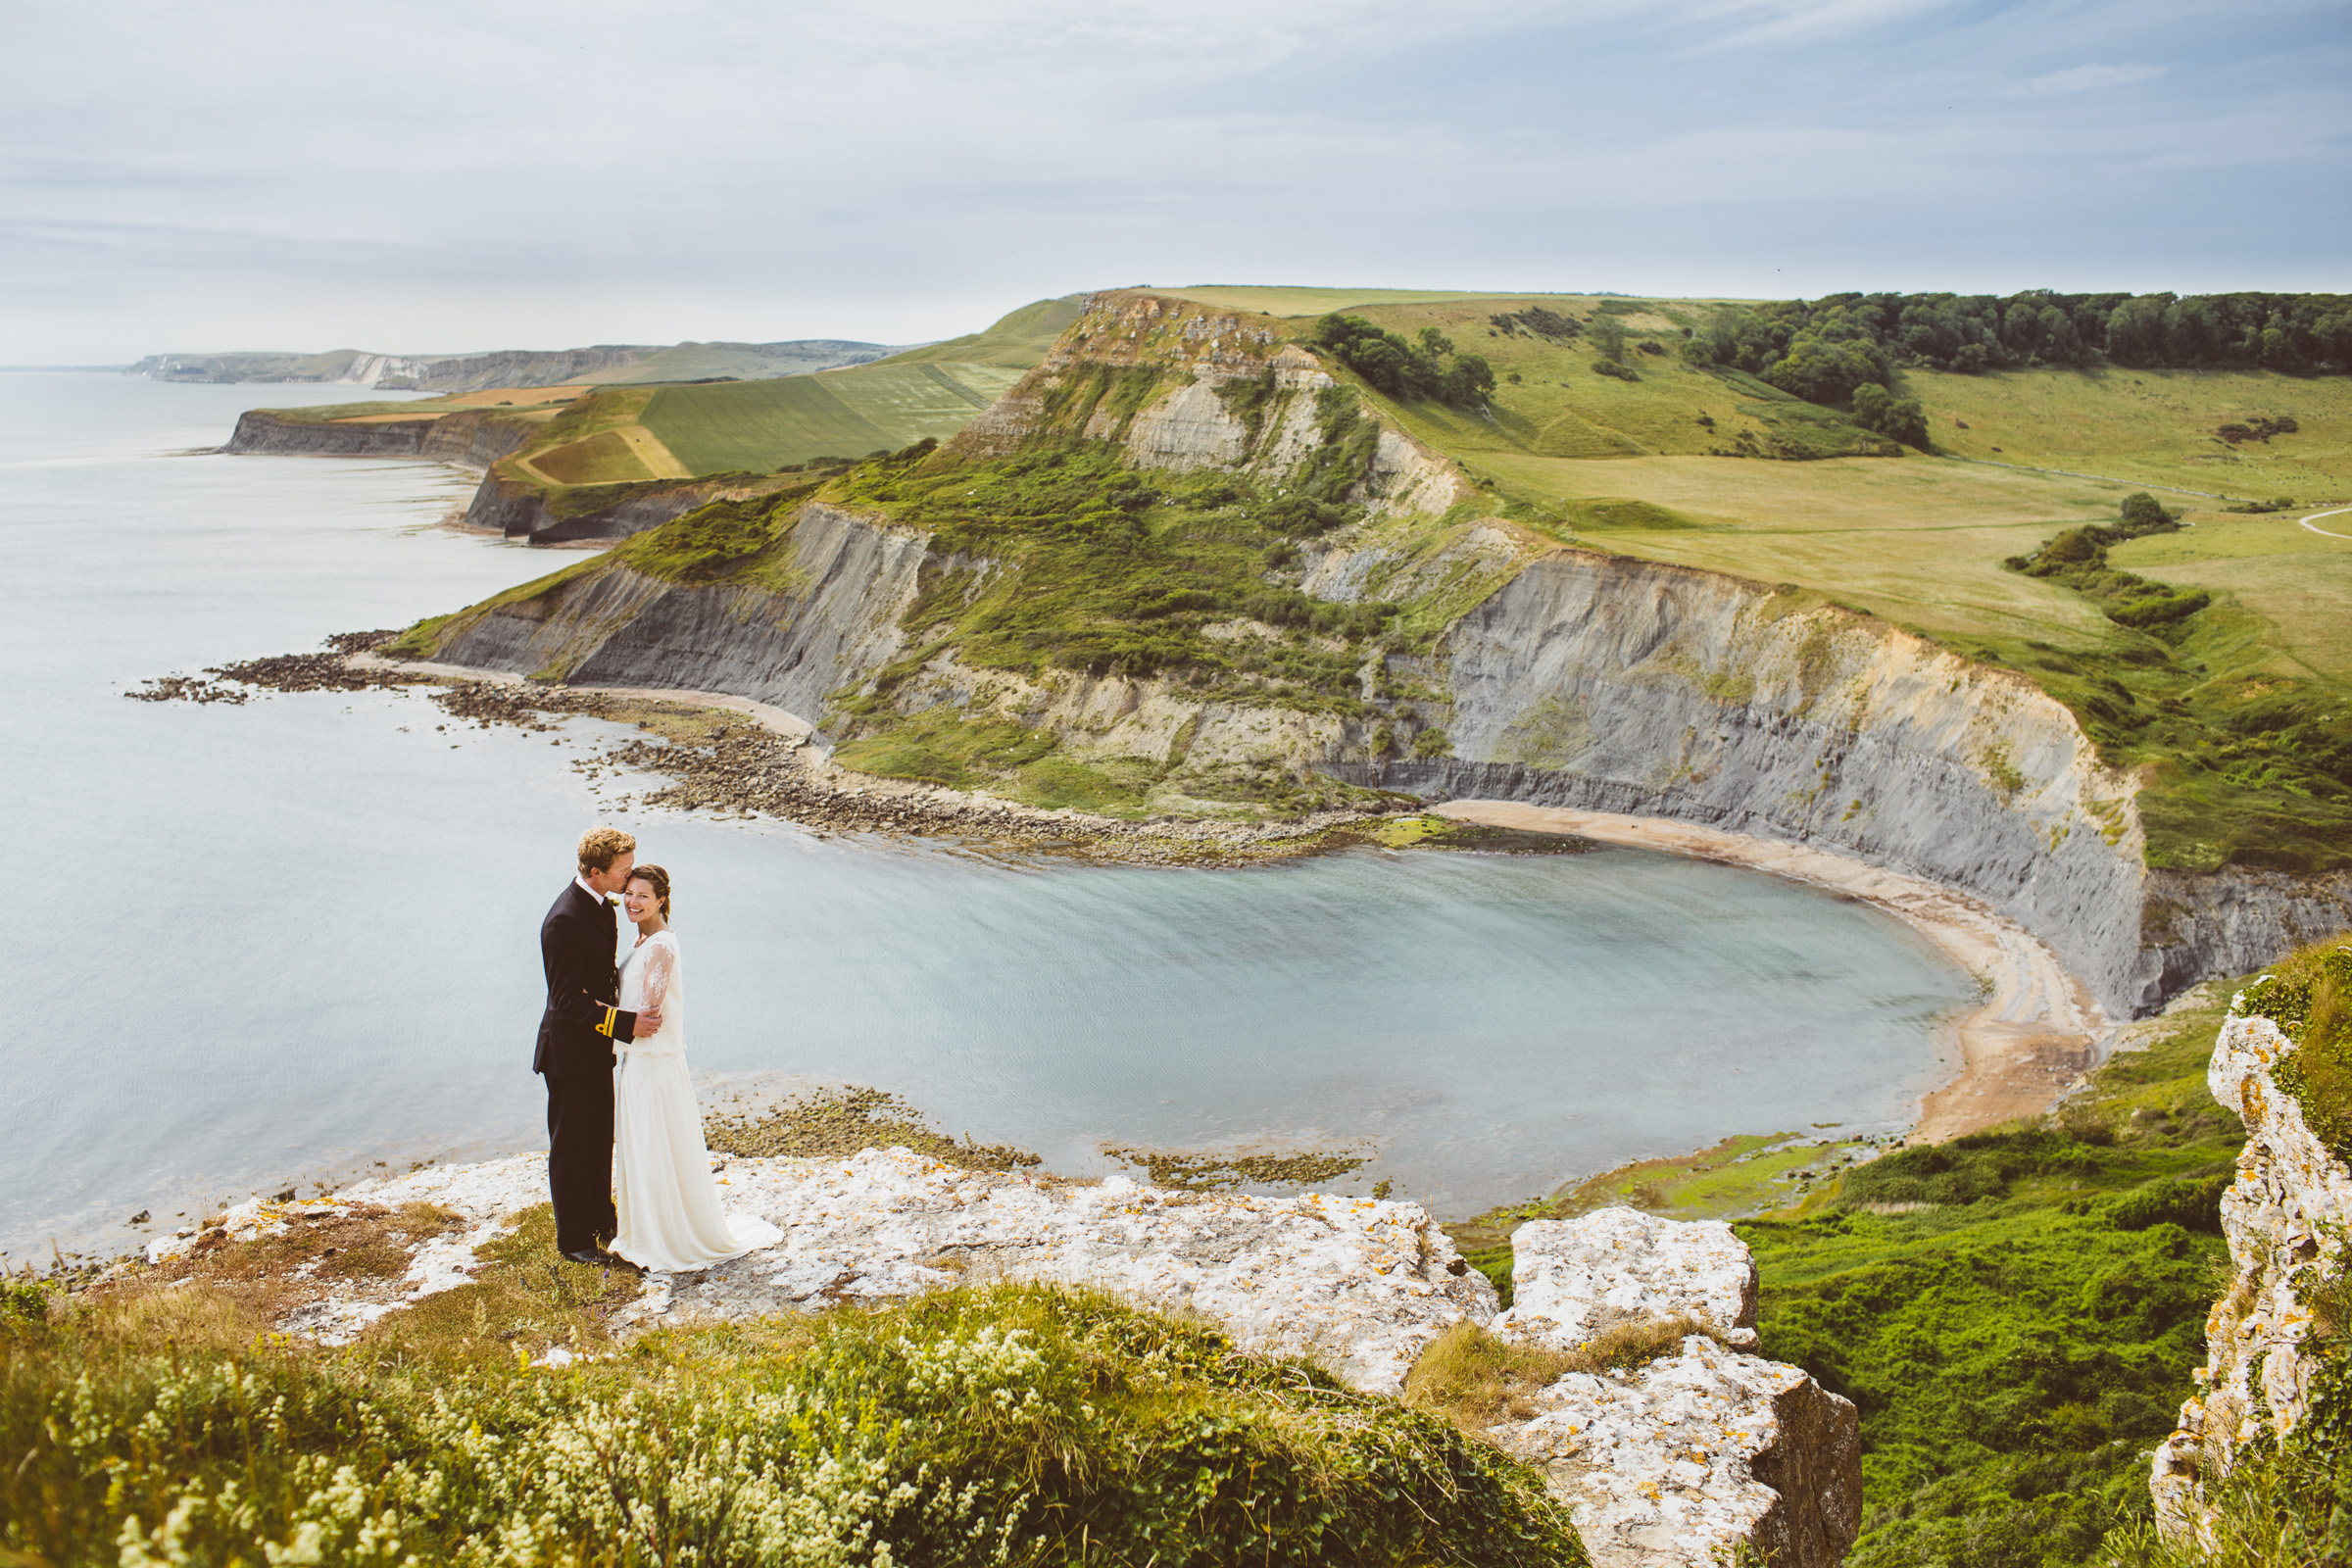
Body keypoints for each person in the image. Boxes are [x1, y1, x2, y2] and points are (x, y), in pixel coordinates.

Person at [609, 864, 784, 1271]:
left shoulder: (661, 946)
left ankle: (663, 1238)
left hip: (653, 1066)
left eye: (643, 897)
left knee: (655, 1148)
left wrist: (597, 1018)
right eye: (629, 893)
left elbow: (650, 1014)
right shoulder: (644, 939)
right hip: (640, 1064)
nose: (632, 902)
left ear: (662, 900)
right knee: (646, 1148)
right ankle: (645, 1230)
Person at [535, 826, 662, 1267]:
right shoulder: (563, 920)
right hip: (568, 1053)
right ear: (596, 872)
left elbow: (604, 978)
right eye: (623, 872)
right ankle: (573, 1240)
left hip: (593, 1049)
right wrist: (628, 1024)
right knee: (571, 1146)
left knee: (597, 1139)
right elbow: (568, 1001)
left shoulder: (602, 909)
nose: (629, 882)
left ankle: (599, 1217)